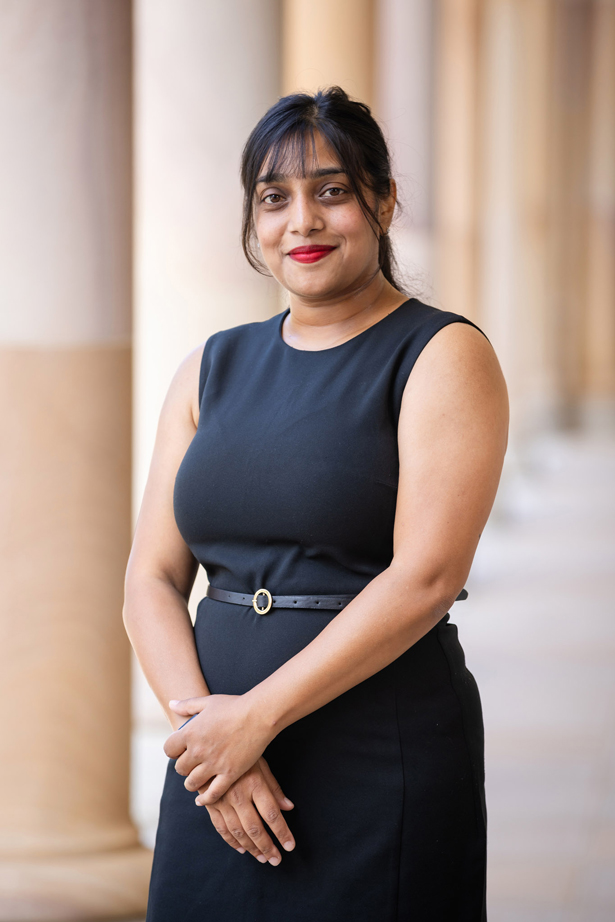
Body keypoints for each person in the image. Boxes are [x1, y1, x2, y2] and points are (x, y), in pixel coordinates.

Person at [123, 86, 508, 922]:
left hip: (377, 749)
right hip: (216, 762)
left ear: (381, 200)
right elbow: (149, 580)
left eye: (330, 191)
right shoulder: (208, 368)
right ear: (253, 220)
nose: (302, 220)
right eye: (274, 198)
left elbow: (426, 578)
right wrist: (210, 745)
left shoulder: (441, 354)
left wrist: (253, 720)